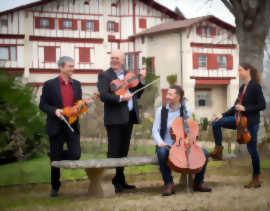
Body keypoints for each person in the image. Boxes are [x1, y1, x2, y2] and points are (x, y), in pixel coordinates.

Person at [39, 56, 92, 197]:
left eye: (72, 66)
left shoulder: (77, 84)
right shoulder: (49, 85)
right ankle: (55, 187)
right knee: (55, 163)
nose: (72, 69)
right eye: (69, 66)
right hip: (56, 125)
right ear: (61, 67)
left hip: (72, 125)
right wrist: (54, 110)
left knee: (75, 154)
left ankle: (54, 156)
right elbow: (43, 105)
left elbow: (77, 106)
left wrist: (85, 105)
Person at [210, 63, 266, 188]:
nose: (238, 72)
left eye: (240, 70)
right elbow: (236, 107)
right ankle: (218, 150)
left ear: (248, 70)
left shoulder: (255, 86)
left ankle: (256, 178)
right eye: (238, 70)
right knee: (216, 122)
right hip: (239, 120)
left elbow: (262, 105)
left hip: (251, 123)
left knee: (252, 150)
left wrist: (245, 108)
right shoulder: (242, 88)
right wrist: (223, 115)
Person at [97, 49, 146, 193]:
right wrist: (120, 98)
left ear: (123, 60)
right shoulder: (104, 76)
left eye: (117, 58)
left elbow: (138, 94)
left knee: (124, 151)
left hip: (129, 117)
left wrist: (141, 81)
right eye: (112, 58)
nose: (114, 60)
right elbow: (104, 96)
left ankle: (121, 180)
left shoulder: (128, 74)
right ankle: (112, 182)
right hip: (114, 118)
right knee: (114, 151)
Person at [152, 85, 212, 196]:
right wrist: (160, 142)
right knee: (161, 152)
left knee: (205, 153)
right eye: (167, 93)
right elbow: (155, 130)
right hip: (167, 145)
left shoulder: (186, 111)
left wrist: (190, 136)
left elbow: (192, 130)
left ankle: (198, 183)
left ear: (178, 97)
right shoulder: (161, 110)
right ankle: (169, 184)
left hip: (184, 145)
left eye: (170, 94)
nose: (167, 96)